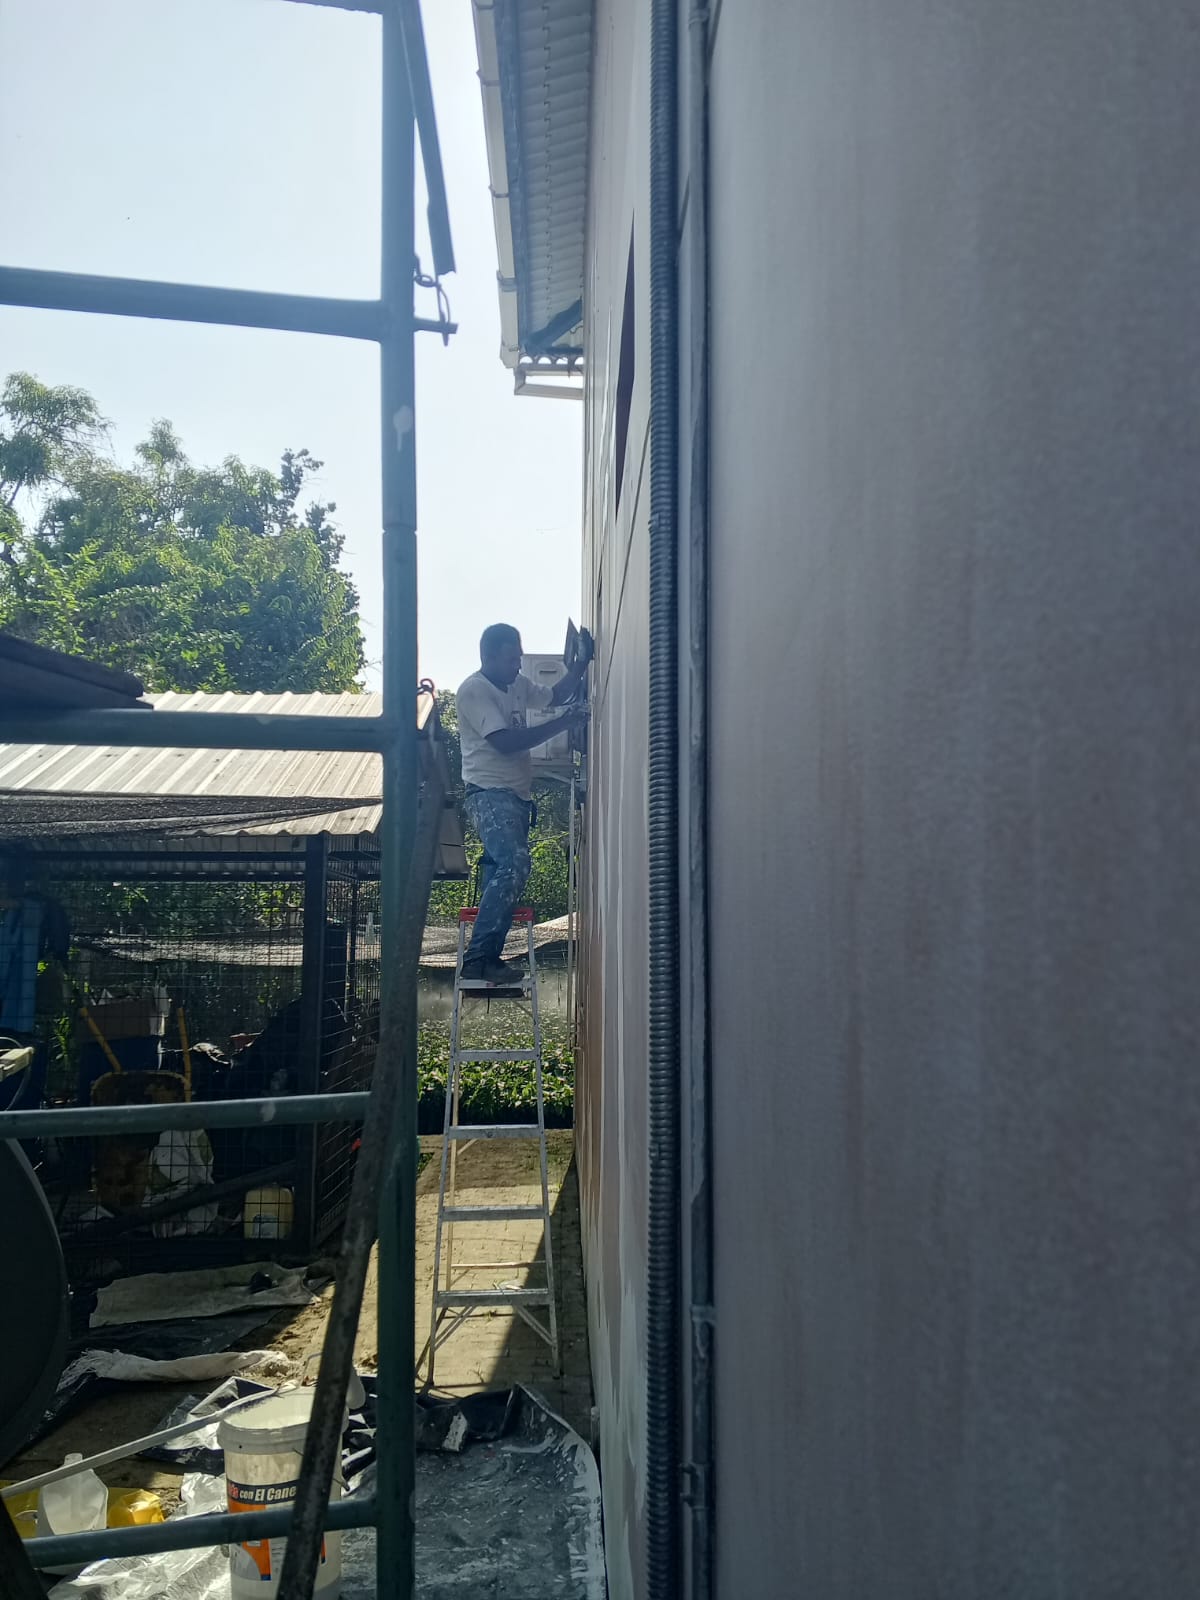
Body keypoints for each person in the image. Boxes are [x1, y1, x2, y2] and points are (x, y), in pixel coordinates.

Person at [456, 623, 592, 983]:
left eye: (519, 657)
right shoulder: (474, 690)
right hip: (489, 795)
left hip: (515, 798)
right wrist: (564, 723)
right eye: (511, 659)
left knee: (503, 874)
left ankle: (487, 960)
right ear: (488, 657)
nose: (518, 665)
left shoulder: (516, 684)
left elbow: (555, 695)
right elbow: (505, 743)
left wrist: (581, 662)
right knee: (514, 864)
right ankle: (478, 959)